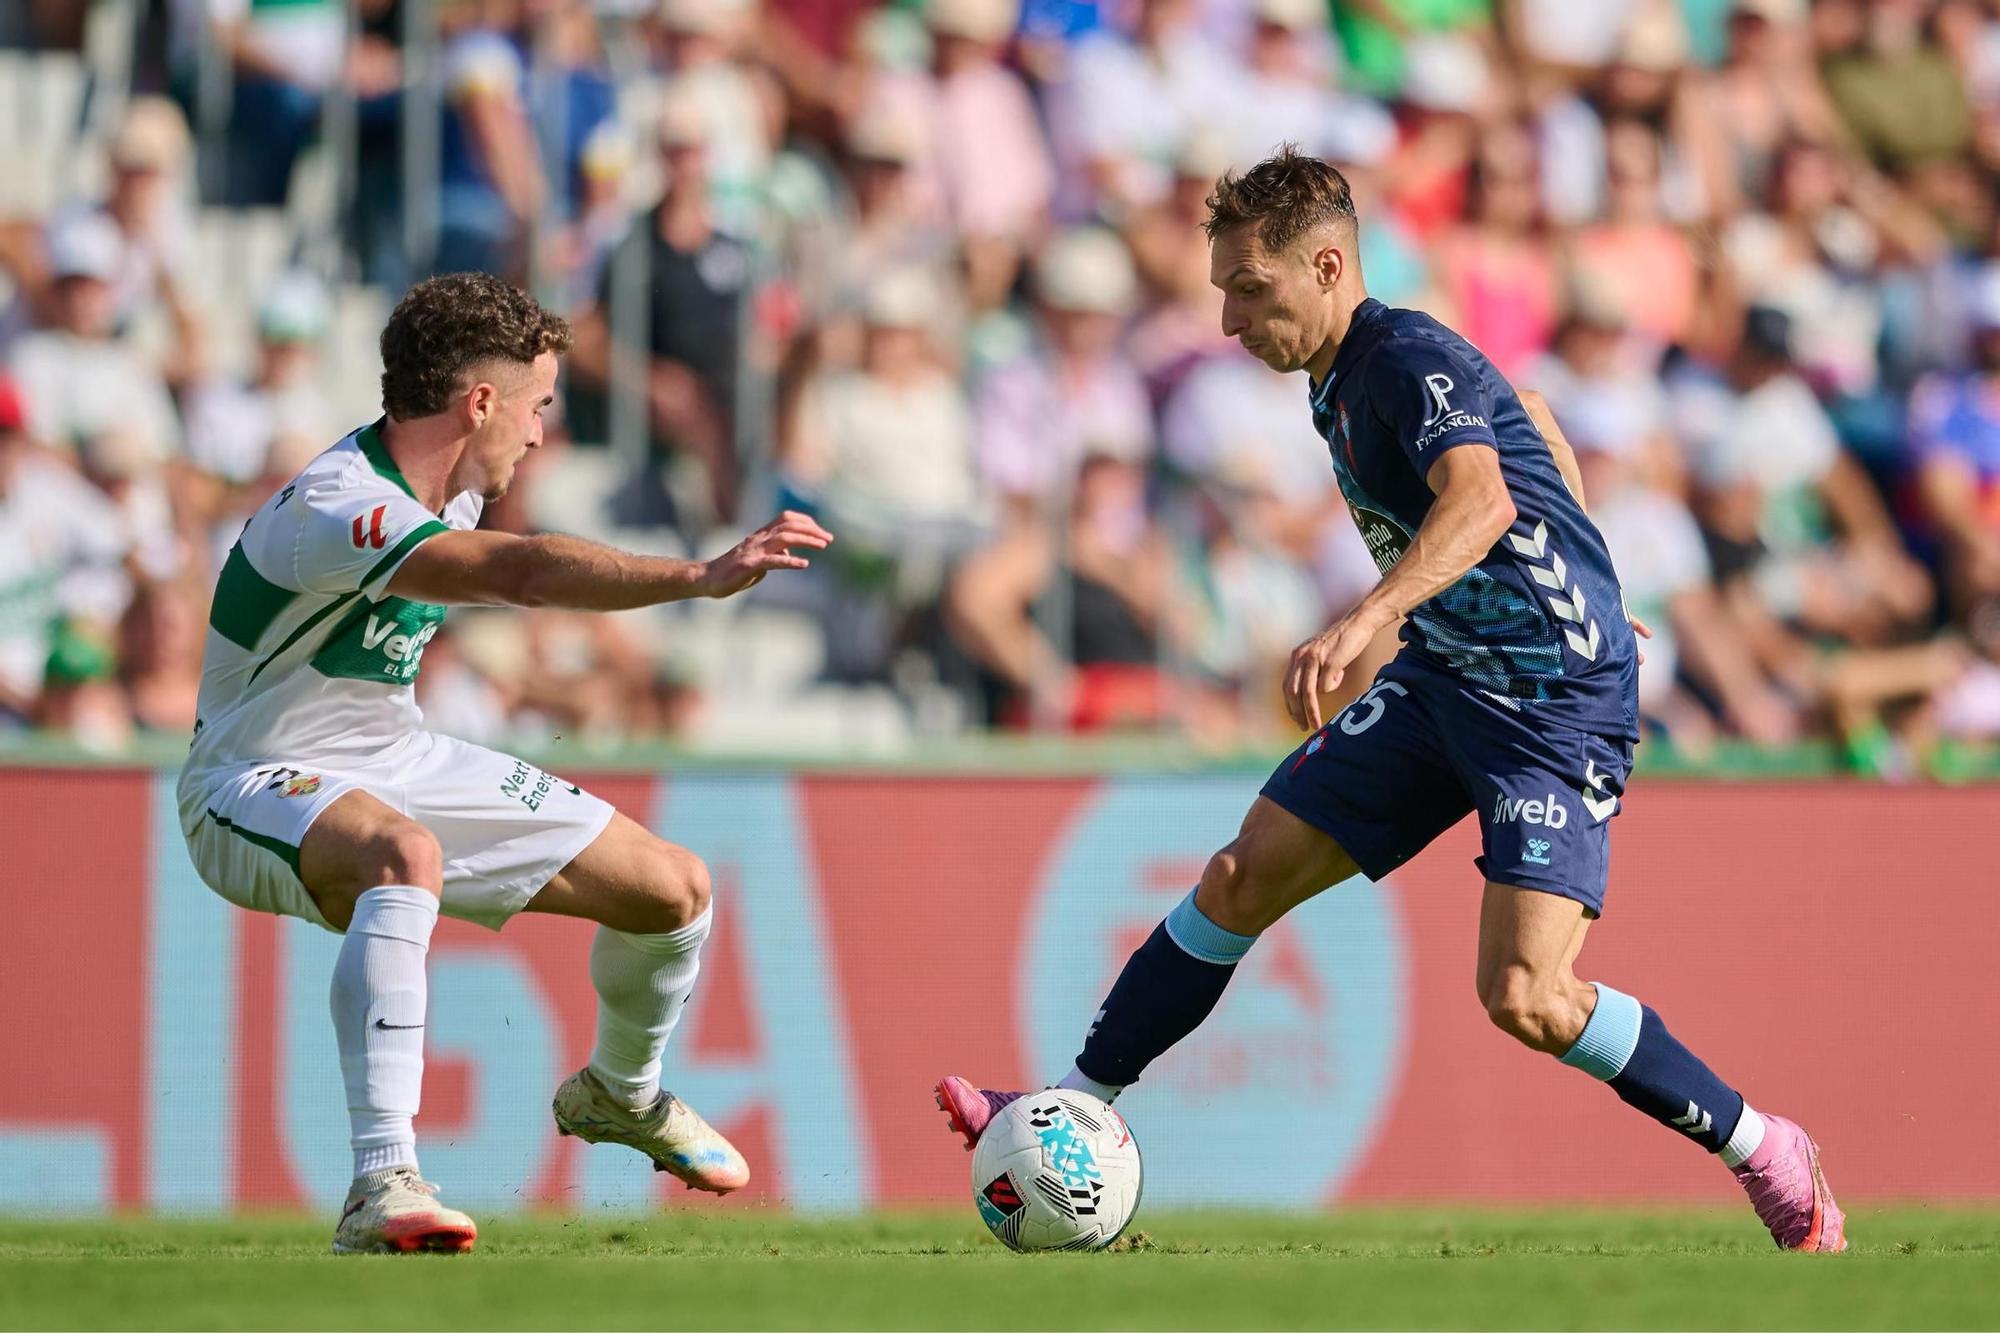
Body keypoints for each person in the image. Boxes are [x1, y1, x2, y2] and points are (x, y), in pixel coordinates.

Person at [934, 148, 1846, 1253]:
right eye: (1221, 289)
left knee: (1525, 994)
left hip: (1550, 705)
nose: (1227, 320)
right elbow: (1532, 415)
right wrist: (1585, 567)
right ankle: (1071, 1102)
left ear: (1325, 265)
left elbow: (1480, 489)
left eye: (1248, 289)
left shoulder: (1399, 356)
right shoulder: (1337, 370)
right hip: (1447, 675)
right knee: (1237, 873)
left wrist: (1368, 618)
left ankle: (1762, 1146)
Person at [175, 273, 833, 1254]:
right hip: (251, 777)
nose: (538, 432)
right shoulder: (341, 506)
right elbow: (518, 574)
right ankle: (380, 1180)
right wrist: (697, 576)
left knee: (671, 890)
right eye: (538, 405)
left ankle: (621, 1090)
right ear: (480, 402)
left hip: (391, 752)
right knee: (404, 856)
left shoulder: (463, 481)